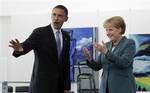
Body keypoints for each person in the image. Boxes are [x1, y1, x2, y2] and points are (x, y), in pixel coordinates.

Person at [9, 5, 71, 93]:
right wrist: (19, 49)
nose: (56, 18)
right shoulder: (40, 33)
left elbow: (66, 63)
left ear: (66, 19)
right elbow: (26, 45)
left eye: (60, 16)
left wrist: (66, 87)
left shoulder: (66, 37)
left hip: (58, 88)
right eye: (54, 15)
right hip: (41, 87)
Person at [83, 16, 136, 93]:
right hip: (105, 88)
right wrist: (89, 59)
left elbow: (125, 62)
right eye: (106, 30)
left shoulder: (129, 43)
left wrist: (107, 52)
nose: (107, 33)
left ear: (120, 29)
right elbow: (97, 66)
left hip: (123, 87)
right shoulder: (107, 45)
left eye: (110, 30)